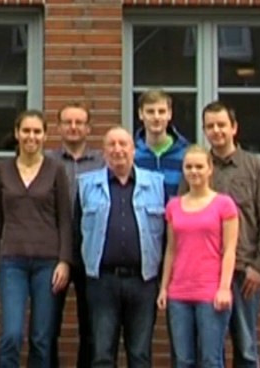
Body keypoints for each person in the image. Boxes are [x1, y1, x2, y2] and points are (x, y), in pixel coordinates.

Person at [179, 101, 260, 368]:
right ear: (204, 130)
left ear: (234, 128)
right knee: (209, 350)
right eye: (210, 126)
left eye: (221, 125)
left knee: (245, 347)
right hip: (204, 273)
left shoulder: (255, 168)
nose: (216, 131)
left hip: (243, 271)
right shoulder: (197, 167)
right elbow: (181, 216)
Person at [76, 126, 166, 368]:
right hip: (102, 282)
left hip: (143, 281)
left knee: (140, 355)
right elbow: (77, 233)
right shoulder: (86, 185)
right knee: (102, 355)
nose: (118, 150)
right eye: (112, 145)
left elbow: (167, 236)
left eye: (123, 144)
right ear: (104, 152)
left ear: (133, 150)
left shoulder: (156, 184)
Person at [0, 109, 72, 368]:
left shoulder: (56, 169)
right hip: (11, 261)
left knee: (41, 338)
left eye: (37, 131)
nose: (31, 136)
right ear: (17, 133)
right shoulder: (1, 169)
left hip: (48, 262)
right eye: (26, 131)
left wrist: (64, 261)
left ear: (45, 135)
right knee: (11, 334)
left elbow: (65, 218)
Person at [158, 144, 239, 368]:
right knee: (183, 360)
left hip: (210, 293)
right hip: (179, 293)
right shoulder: (174, 206)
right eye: (189, 167)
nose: (194, 172)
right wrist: (164, 287)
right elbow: (171, 249)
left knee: (210, 360)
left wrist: (224, 288)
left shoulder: (224, 204)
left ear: (210, 169)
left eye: (199, 167)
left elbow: (229, 250)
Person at [47, 103, 104, 368]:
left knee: (90, 328)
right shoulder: (47, 161)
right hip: (53, 251)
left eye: (79, 122)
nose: (73, 127)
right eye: (67, 122)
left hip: (91, 251)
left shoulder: (102, 162)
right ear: (58, 127)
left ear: (88, 128)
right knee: (47, 327)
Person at [134, 90, 190, 201]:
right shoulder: (132, 155)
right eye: (150, 112)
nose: (156, 117)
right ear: (140, 114)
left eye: (162, 111)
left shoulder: (186, 154)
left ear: (169, 114)